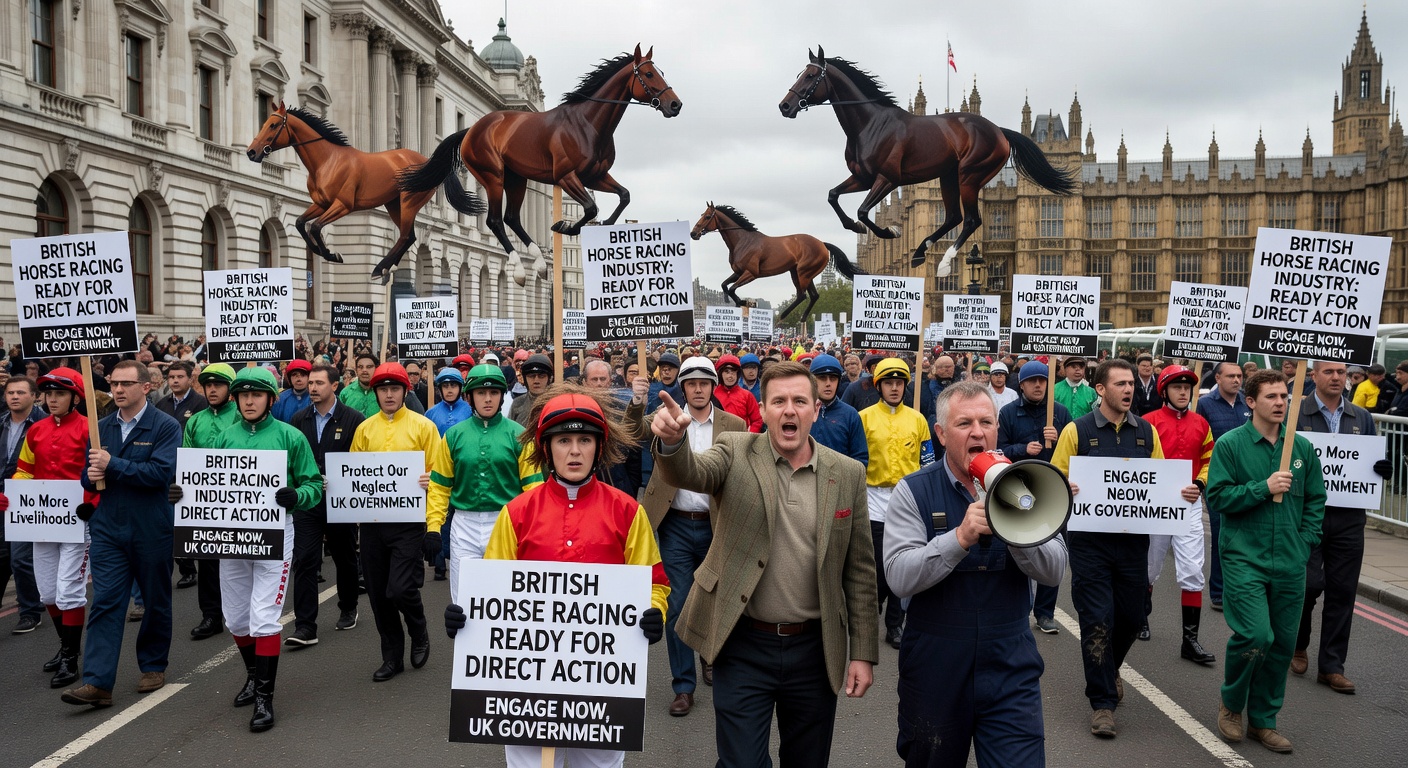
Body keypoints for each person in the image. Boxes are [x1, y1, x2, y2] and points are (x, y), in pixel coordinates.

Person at [649, 361, 877, 768]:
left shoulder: (847, 474)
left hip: (815, 649)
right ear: (765, 409)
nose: (789, 410)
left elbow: (859, 571)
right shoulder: (736, 450)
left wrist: (862, 652)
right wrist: (672, 444)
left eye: (799, 401)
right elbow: (693, 472)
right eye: (779, 402)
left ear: (814, 409)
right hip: (742, 644)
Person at [445, 385, 668, 768]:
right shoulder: (516, 512)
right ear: (547, 449)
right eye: (564, 440)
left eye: (585, 439)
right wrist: (466, 617)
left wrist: (654, 613)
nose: (576, 451)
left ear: (600, 447)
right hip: (526, 692)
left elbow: (654, 583)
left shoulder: (629, 512)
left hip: (602, 692)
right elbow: (491, 589)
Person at [885, 381, 1068, 767]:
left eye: (986, 422)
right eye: (964, 423)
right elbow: (899, 577)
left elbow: (1054, 571)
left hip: (1009, 659)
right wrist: (959, 538)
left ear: (997, 430)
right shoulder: (913, 491)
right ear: (940, 433)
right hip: (936, 660)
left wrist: (1018, 530)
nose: (977, 432)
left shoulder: (1027, 484)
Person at [171, 368, 322, 731]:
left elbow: (314, 484)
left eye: (256, 395)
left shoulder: (291, 436)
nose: (249, 401)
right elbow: (201, 484)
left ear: (271, 399)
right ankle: (253, 676)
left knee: (264, 618)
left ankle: (264, 700)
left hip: (274, 534)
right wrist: (180, 493)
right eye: (243, 395)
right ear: (235, 400)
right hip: (231, 537)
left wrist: (297, 495)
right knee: (236, 619)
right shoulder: (222, 438)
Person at [1208, 370, 1325, 754]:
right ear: (1252, 402)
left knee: (1282, 645)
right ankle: (1232, 703)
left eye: (1284, 397)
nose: (1280, 403)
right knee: (1256, 636)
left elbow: (1315, 500)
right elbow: (1220, 498)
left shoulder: (1302, 449)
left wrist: (1306, 541)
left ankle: (1264, 720)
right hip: (1245, 558)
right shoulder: (1230, 445)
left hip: (1291, 562)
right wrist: (1264, 488)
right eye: (1272, 396)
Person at [1051, 358, 1164, 738]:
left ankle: (1109, 665)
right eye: (1120, 384)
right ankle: (1102, 702)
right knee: (1097, 620)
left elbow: (1159, 481)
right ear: (1101, 389)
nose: (1129, 390)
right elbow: (1056, 478)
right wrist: (1065, 486)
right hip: (1090, 545)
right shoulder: (1076, 431)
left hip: (1133, 544)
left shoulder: (1147, 432)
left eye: (1132, 383)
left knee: (1132, 618)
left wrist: (1180, 493)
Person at [61, 360, 181, 707]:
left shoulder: (165, 426)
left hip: (151, 527)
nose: (117, 390)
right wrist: (94, 470)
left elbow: (159, 473)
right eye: (114, 383)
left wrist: (113, 465)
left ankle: (153, 665)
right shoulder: (100, 428)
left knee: (155, 600)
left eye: (126, 384)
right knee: (106, 602)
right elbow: (88, 479)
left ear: (145, 387)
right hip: (109, 527)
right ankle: (98, 683)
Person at [633, 355, 747, 716]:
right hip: (675, 525)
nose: (698, 389)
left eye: (704, 383)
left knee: (715, 600)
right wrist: (637, 403)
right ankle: (683, 685)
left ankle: (709, 656)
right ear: (682, 387)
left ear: (714, 386)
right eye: (691, 383)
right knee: (678, 605)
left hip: (717, 524)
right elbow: (632, 434)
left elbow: (742, 475)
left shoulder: (735, 424)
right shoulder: (664, 417)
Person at [1291, 360, 1391, 694]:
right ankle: (1298, 642)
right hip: (1308, 514)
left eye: (1342, 373)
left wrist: (1380, 469)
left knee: (1343, 591)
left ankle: (1332, 666)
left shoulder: (1360, 416)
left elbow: (1369, 460)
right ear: (1314, 375)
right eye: (1329, 372)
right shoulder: (1297, 412)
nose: (1337, 377)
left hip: (1349, 517)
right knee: (1307, 585)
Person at [1, 367, 95, 687]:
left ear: (75, 398)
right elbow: (25, 471)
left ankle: (70, 657)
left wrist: (91, 501)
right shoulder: (36, 430)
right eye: (49, 394)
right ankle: (65, 646)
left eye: (60, 394)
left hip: (78, 522)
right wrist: (12, 496)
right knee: (48, 591)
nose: (52, 399)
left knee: (69, 591)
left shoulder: (89, 428)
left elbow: (98, 474)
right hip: (41, 520)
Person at [349, 362, 443, 682]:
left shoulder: (423, 427)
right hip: (373, 524)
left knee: (400, 589)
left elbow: (441, 477)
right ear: (375, 393)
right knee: (377, 594)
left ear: (405, 391)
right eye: (383, 389)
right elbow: (354, 478)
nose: (388, 395)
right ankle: (391, 656)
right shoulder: (364, 429)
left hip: (409, 523)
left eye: (394, 389)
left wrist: (433, 521)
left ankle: (418, 628)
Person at [427, 364, 541, 604]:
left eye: (494, 393)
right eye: (481, 393)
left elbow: (534, 489)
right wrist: (433, 527)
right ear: (469, 397)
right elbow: (439, 486)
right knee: (463, 600)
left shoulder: (519, 435)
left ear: (501, 396)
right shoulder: (453, 435)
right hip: (463, 525)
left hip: (506, 524)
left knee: (505, 600)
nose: (487, 399)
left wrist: (535, 529)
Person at [1141, 366, 1216, 664]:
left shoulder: (1201, 423)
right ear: (1164, 391)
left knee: (1193, 571)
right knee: (1148, 567)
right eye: (1177, 387)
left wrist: (1199, 483)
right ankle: (1140, 618)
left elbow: (1209, 459)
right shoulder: (1148, 422)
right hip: (1155, 506)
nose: (1184, 392)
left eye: (1188, 387)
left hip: (1188, 504)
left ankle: (1190, 641)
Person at [287, 364, 365, 646]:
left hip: (341, 501)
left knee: (344, 556)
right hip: (308, 501)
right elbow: (292, 458)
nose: (313, 388)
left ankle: (348, 606)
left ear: (335, 386)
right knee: (305, 559)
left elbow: (361, 462)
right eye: (310, 383)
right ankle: (305, 625)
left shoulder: (354, 419)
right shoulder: (298, 419)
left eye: (319, 383)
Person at [859, 358, 932, 649]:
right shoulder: (863, 417)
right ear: (879, 386)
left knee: (903, 563)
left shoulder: (917, 419)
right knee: (877, 564)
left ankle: (895, 624)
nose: (894, 388)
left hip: (906, 498)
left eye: (899, 383)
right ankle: (869, 615)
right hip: (873, 498)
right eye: (888, 383)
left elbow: (928, 461)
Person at [996, 362, 1069, 635]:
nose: (1039, 385)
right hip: (1018, 489)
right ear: (1022, 385)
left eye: (1043, 380)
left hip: (1053, 491)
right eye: (1033, 381)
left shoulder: (1060, 414)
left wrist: (1060, 437)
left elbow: (1076, 450)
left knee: (1053, 551)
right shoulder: (1008, 413)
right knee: (1016, 548)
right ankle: (1016, 606)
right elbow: (998, 450)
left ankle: (1045, 613)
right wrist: (1022, 448)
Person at [181, 363, 242, 641]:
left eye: (218, 384)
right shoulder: (194, 421)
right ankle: (211, 615)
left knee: (240, 560)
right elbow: (188, 461)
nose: (212, 389)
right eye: (208, 385)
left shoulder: (243, 418)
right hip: (206, 502)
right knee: (207, 559)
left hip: (241, 501)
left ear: (230, 389)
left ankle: (240, 611)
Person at [1197, 361, 1251, 612]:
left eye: (1239, 376)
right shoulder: (1205, 404)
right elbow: (1200, 439)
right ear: (1217, 378)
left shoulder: (1247, 403)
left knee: (1246, 533)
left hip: (1248, 477)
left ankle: (1241, 589)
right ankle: (1218, 591)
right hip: (1218, 479)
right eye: (1231, 376)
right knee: (1221, 532)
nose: (1237, 380)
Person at [2, 375, 45, 633]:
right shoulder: (1, 424)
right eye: (10, 393)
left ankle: (30, 610)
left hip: (29, 501)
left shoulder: (44, 424)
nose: (14, 397)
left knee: (20, 559)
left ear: (34, 396)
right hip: (2, 501)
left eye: (20, 392)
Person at [809, 354, 869, 465]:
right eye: (822, 378)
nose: (828, 383)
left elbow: (860, 458)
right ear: (812, 381)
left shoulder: (850, 415)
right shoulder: (801, 411)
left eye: (833, 378)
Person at [714, 355, 763, 432]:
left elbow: (757, 420)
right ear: (720, 374)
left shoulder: (747, 395)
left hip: (741, 439)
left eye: (733, 372)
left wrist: (749, 436)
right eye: (727, 372)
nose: (730, 376)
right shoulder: (713, 394)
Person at [154, 361, 207, 429]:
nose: (175, 380)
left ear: (190, 379)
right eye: (172, 377)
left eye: (180, 377)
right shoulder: (161, 404)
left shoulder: (201, 403)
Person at [424, 367, 472, 436]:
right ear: (440, 389)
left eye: (453, 386)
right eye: (445, 386)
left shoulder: (471, 411)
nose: (449, 390)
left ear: (460, 388)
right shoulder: (430, 413)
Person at [509, 354, 553, 427]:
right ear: (525, 379)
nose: (536, 381)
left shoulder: (557, 403)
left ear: (550, 378)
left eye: (541, 376)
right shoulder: (518, 403)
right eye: (531, 376)